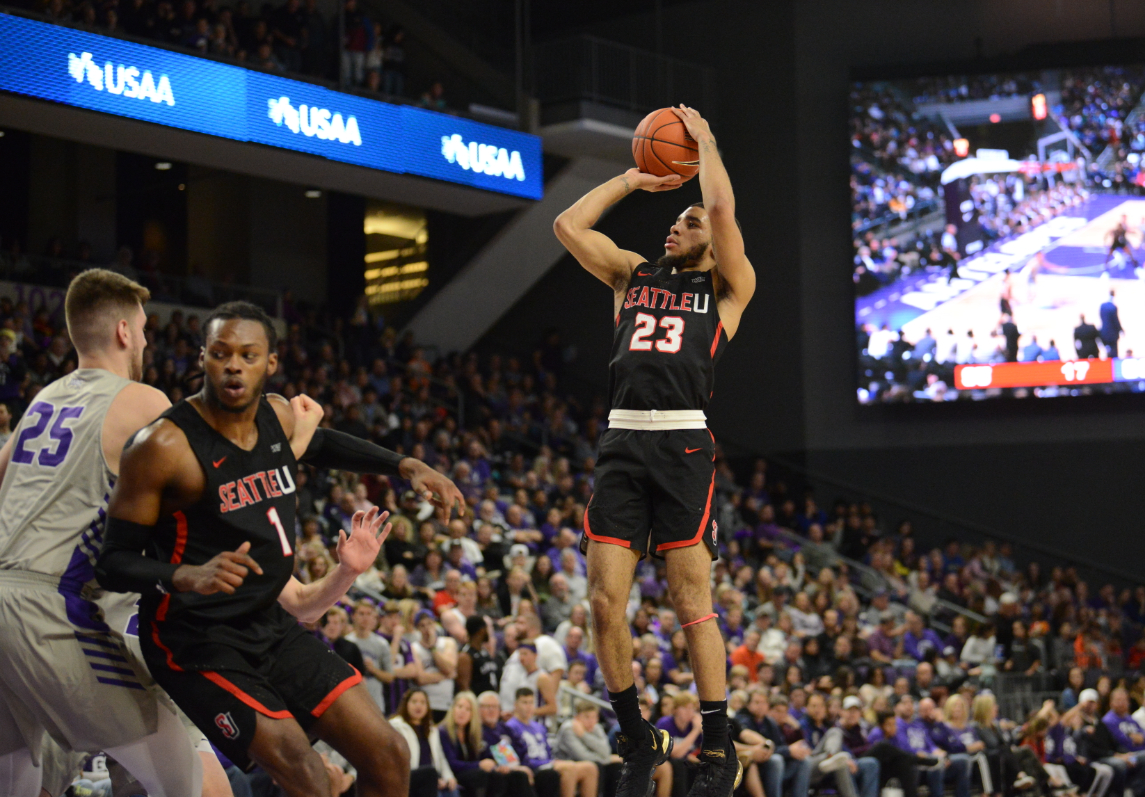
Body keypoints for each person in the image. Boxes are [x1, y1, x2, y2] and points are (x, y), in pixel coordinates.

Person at [96, 300, 465, 796]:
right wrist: (185, 574)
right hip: (196, 638)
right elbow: (112, 562)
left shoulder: (274, 417)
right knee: (307, 773)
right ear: (202, 357)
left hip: (269, 625)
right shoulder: (163, 446)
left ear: (270, 363)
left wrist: (406, 465)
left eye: (248, 355)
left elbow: (325, 444)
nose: (233, 365)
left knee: (389, 752)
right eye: (221, 353)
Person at [554, 104, 755, 797]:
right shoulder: (630, 275)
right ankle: (637, 734)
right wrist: (632, 182)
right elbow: (567, 226)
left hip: (682, 440)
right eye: (678, 217)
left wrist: (704, 143)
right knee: (605, 603)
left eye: (687, 219)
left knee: (686, 594)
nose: (679, 223)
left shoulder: (726, 289)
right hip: (620, 440)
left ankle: (719, 747)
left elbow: (723, 211)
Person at [0, 269, 243, 797]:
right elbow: (215, 493)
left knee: (17, 782)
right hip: (54, 608)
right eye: (146, 330)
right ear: (124, 333)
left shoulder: (38, 404)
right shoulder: (140, 400)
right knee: (182, 778)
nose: (149, 341)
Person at [506, 688, 599, 797]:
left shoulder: (538, 727)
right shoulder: (510, 726)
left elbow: (548, 752)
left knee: (589, 768)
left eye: (531, 702)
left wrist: (553, 761)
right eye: (524, 702)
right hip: (532, 766)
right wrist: (549, 763)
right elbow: (517, 756)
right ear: (515, 705)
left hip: (547, 762)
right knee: (569, 767)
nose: (528, 706)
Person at [391, 688, 459, 797]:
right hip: (407, 777)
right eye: (414, 702)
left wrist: (448, 777)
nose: (418, 706)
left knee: (452, 789)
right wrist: (434, 779)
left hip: (431, 778)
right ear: (406, 704)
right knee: (430, 775)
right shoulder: (396, 726)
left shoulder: (432, 729)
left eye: (423, 702)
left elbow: (440, 757)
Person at [556, 700, 623, 796]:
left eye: (594, 717)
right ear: (577, 717)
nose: (592, 721)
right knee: (596, 765)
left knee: (616, 766)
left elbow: (606, 750)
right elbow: (582, 756)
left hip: (592, 762)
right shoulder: (569, 729)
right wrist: (607, 759)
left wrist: (584, 735)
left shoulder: (596, 727)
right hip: (569, 764)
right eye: (587, 717)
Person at [413, 609, 459, 723]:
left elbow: (449, 668)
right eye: (422, 625)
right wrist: (447, 675)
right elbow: (421, 679)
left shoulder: (448, 642)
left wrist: (433, 648)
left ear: (435, 624)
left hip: (446, 703)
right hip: (425, 704)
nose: (427, 628)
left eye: (429, 623)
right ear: (418, 629)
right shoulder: (414, 647)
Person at [458, 614, 500, 697]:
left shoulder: (484, 652)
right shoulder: (465, 655)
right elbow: (464, 688)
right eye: (487, 629)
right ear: (481, 630)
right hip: (478, 704)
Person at [1100, 292, 1124, 358]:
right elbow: (1115, 320)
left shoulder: (1102, 306)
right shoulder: (1113, 307)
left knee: (1107, 351)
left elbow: (1101, 317)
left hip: (1104, 332)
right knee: (1114, 352)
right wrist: (1121, 330)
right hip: (1112, 333)